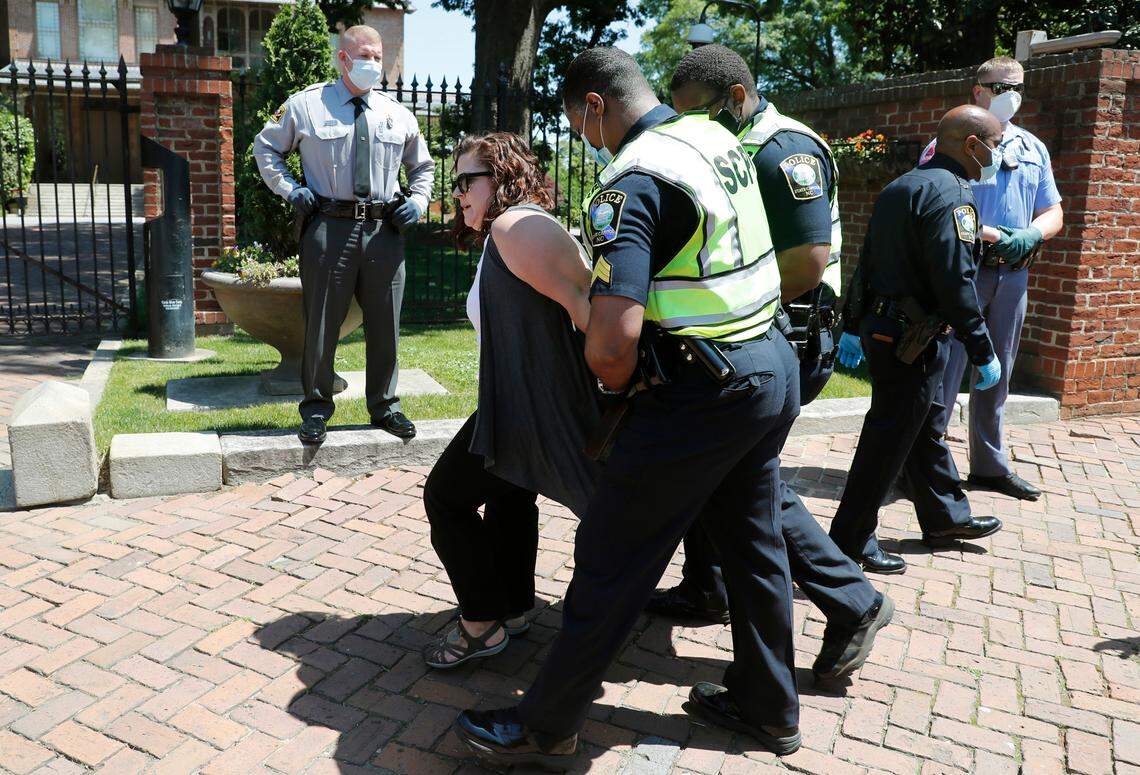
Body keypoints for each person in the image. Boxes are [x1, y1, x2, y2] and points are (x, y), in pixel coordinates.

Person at [454, 47, 804, 770]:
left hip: (704, 389)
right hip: (771, 362)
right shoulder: (717, 138)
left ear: (594, 107)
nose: (586, 142)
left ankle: (547, 722)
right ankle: (769, 705)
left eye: (581, 127)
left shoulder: (634, 180)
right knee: (755, 543)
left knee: (611, 557)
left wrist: (613, 392)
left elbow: (613, 337)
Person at [649, 44, 892, 684]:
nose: (688, 129)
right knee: (727, 472)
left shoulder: (784, 151)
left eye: (697, 113)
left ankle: (853, 600)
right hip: (755, 332)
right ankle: (708, 585)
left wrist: (728, 313)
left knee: (747, 479)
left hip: (782, 333)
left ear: (736, 97)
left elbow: (809, 258)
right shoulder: (733, 145)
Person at [421, 132, 600, 669]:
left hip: (532, 408)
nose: (457, 193)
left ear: (502, 177)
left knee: (446, 498)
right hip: (517, 403)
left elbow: (589, 312)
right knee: (510, 494)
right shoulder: (509, 233)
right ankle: (515, 607)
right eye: (454, 183)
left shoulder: (519, 228)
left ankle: (480, 624)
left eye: (465, 180)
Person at [829, 105, 1005, 575]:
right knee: (888, 440)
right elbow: (956, 281)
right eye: (996, 144)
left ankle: (945, 516)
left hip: (884, 329)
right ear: (972, 145)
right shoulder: (954, 198)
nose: (998, 154)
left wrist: (852, 321)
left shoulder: (901, 186)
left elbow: (864, 260)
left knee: (922, 427)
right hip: (913, 338)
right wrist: (982, 347)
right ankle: (849, 539)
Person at [253, 25, 433, 445]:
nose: (374, 62)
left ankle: (385, 406)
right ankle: (316, 409)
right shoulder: (306, 106)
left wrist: (419, 202)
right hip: (328, 228)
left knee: (386, 322)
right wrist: (288, 188)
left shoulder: (396, 113)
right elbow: (266, 147)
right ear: (344, 58)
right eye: (365, 55)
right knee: (321, 324)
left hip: (384, 231)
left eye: (379, 55)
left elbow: (422, 167)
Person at [926, 57, 1063, 501]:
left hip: (1013, 276)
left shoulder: (1032, 148)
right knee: (945, 373)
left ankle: (989, 465)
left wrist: (1029, 235)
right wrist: (993, 234)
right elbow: (936, 206)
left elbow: (1053, 211)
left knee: (996, 373)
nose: (1013, 93)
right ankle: (927, 466)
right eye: (1003, 85)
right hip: (964, 272)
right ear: (978, 89)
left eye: (1019, 85)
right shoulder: (949, 142)